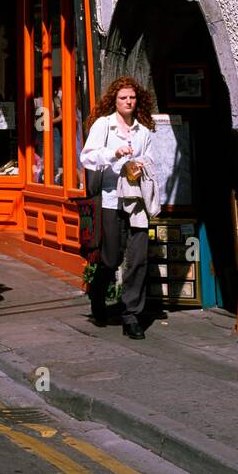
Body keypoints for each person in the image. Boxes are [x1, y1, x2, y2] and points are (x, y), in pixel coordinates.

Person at [81, 76, 158, 340]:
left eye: (132, 98)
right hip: (111, 199)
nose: (128, 101)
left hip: (135, 201)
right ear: (114, 100)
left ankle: (131, 315)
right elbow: (87, 156)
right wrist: (113, 155)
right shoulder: (104, 125)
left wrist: (141, 164)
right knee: (111, 259)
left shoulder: (144, 131)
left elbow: (150, 158)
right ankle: (97, 293)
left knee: (138, 258)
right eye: (123, 98)